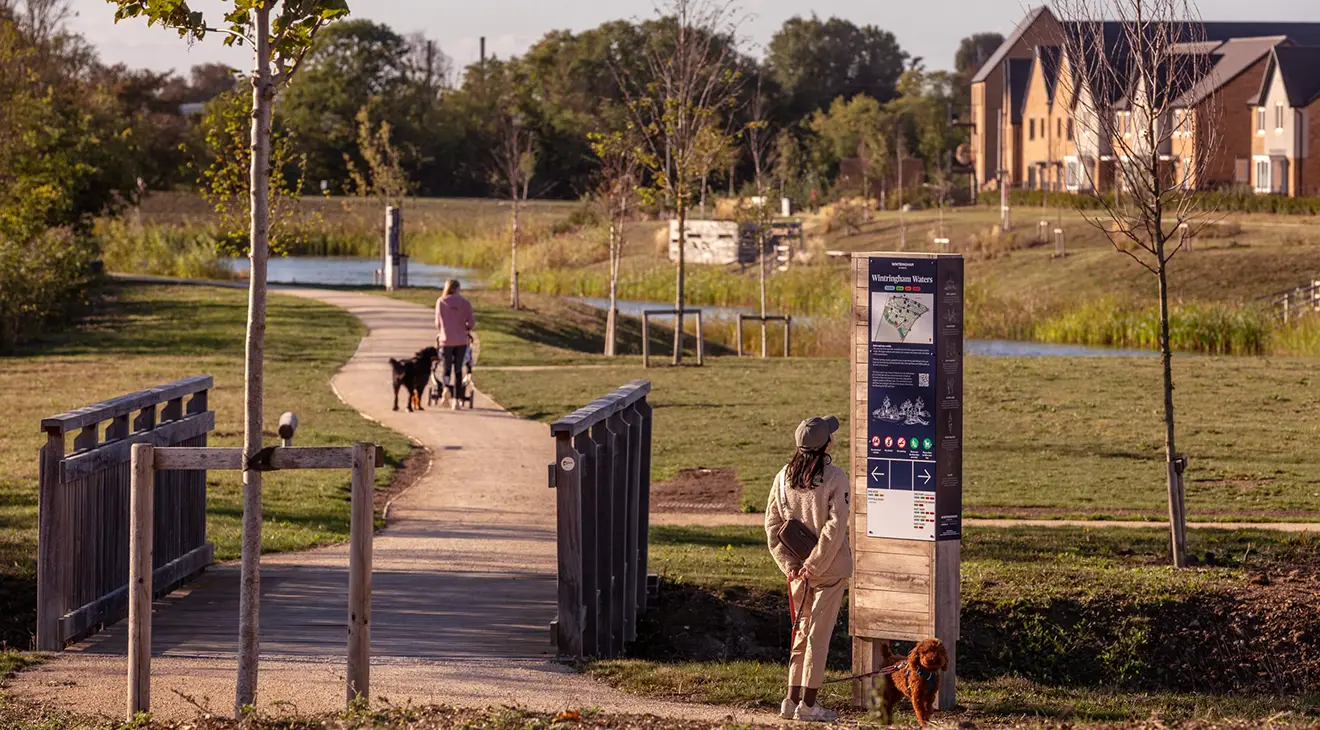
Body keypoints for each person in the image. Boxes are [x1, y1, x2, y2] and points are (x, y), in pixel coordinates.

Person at [764, 415, 852, 722]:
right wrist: (815, 564)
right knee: (818, 636)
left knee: (800, 633)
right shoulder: (836, 477)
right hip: (827, 570)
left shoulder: (782, 477)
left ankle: (790, 700)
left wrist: (790, 565)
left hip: (797, 571)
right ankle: (809, 706)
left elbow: (772, 525)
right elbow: (835, 528)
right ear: (826, 444)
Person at [434, 279, 474, 410]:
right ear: (458, 289)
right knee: (458, 370)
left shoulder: (440, 302)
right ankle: (456, 401)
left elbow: (437, 324)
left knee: (446, 368)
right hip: (461, 340)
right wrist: (465, 327)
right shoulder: (465, 303)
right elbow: (471, 323)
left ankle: (446, 389)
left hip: (446, 340)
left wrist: (443, 330)